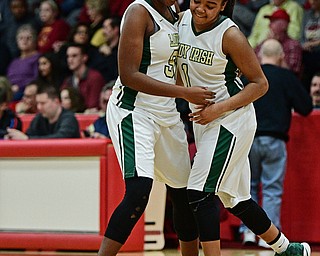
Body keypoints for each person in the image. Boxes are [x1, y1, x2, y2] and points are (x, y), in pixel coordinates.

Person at [177, 1, 311, 256]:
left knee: (198, 192)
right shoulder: (181, 20)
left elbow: (260, 84)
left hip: (230, 118)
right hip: (204, 120)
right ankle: (288, 250)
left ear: (224, 5)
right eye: (197, 1)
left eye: (210, 4)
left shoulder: (230, 34)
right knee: (236, 198)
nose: (201, 9)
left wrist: (219, 109)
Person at [97, 0, 215, 255]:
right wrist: (185, 93)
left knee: (184, 197)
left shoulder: (174, 14)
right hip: (134, 110)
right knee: (139, 192)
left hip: (167, 112)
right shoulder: (139, 12)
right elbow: (129, 75)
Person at [240, 39, 313, 247]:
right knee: (272, 188)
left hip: (249, 139)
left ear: (259, 55)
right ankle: (268, 238)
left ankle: (247, 232)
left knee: (247, 187)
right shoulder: (286, 77)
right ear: (281, 56)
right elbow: (305, 107)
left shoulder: (249, 76)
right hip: (275, 139)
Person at [6, 86, 80, 139]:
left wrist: (28, 139)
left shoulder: (69, 118)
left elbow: (61, 138)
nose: (39, 107)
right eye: (38, 103)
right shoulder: (39, 118)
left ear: (56, 101)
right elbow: (29, 134)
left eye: (43, 103)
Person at [255, 9, 303, 76]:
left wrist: (275, 46)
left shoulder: (293, 45)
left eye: (273, 21)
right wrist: (269, 44)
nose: (270, 25)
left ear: (284, 25)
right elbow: (253, 65)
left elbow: (292, 75)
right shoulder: (264, 43)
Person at [60, 42, 106, 110]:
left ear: (84, 57)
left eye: (74, 56)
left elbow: (93, 106)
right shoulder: (68, 81)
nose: (70, 60)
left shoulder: (94, 78)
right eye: (68, 56)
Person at [6, 24, 40, 101]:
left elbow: (37, 79)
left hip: (25, 93)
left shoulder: (37, 58)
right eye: (21, 38)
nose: (24, 41)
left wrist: (19, 86)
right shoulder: (14, 61)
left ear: (35, 41)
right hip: (10, 91)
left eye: (29, 38)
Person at [300, 0, 320, 91]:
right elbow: (302, 37)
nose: (312, 2)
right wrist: (304, 44)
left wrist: (313, 43)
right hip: (308, 54)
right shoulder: (306, 15)